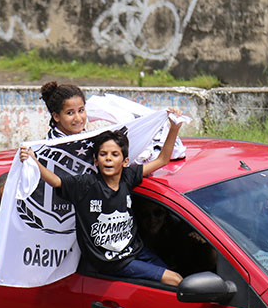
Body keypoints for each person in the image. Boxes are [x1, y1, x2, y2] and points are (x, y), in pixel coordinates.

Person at [20, 111, 184, 286]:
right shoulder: (86, 185)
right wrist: (34, 162)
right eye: (103, 154)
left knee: (174, 278)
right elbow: (56, 181)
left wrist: (174, 128)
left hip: (136, 252)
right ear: (96, 161)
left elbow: (162, 160)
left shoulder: (128, 177)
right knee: (175, 280)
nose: (108, 159)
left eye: (114, 154)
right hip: (112, 263)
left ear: (125, 161)